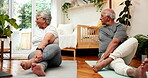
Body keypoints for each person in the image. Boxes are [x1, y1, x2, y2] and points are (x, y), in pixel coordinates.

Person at [92, 8, 148, 78]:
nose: (100, 18)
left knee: (134, 40)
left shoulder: (120, 26)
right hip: (106, 55)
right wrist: (104, 56)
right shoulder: (101, 29)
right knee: (117, 61)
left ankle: (108, 60)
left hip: (111, 57)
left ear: (108, 17)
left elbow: (115, 42)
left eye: (102, 16)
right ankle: (134, 72)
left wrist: (103, 59)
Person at [20, 10, 62, 76]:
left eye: (37, 19)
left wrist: (39, 49)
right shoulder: (37, 30)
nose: (35, 21)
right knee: (42, 61)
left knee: (55, 47)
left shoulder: (51, 29)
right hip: (34, 54)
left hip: (53, 59)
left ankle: (32, 61)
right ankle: (40, 67)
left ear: (44, 19)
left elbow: (47, 39)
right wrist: (37, 53)